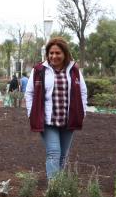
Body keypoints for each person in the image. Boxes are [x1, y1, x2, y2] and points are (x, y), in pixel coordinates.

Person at [25, 37, 87, 180]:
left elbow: (83, 91)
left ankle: (59, 184)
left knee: (63, 155)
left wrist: (82, 112)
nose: (54, 56)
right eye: (51, 53)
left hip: (68, 119)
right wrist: (31, 113)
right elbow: (29, 92)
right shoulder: (39, 70)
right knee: (54, 152)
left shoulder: (74, 70)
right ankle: (54, 188)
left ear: (65, 54)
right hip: (47, 120)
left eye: (57, 53)